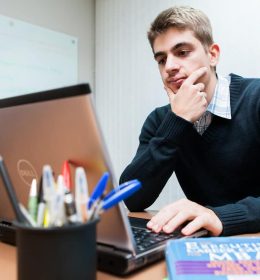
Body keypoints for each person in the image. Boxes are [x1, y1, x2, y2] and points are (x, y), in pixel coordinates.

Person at [119, 6, 260, 237]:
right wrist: (178, 121)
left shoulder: (255, 98)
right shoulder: (160, 121)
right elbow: (133, 199)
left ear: (212, 54)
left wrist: (219, 216)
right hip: (202, 246)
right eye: (162, 59)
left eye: (182, 52)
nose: (170, 67)